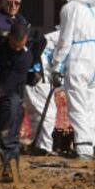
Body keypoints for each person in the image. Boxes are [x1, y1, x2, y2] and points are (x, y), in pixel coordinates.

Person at [49, 0, 95, 159]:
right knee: (91, 105)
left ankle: (84, 149)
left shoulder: (69, 8)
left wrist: (56, 66)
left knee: (77, 104)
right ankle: (91, 144)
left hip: (79, 58)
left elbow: (65, 38)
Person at [0, 19, 36, 183]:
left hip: (12, 97)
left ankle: (10, 170)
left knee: (9, 135)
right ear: (9, 38)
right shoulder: (0, 44)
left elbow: (9, 86)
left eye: (20, 45)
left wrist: (37, 65)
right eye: (14, 45)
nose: (17, 49)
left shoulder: (25, 57)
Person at [24, 26, 59, 156]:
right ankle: (44, 146)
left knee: (37, 113)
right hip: (38, 76)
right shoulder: (67, 38)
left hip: (35, 74)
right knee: (48, 113)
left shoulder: (56, 36)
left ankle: (39, 145)